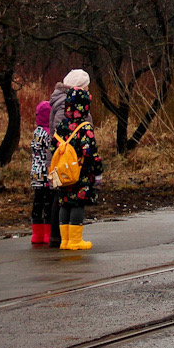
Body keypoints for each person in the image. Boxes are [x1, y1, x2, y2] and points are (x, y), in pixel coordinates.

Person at [46, 68, 90, 247]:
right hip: (68, 158)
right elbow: (64, 132)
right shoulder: (67, 104)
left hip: (61, 156)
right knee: (66, 197)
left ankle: (60, 237)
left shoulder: (61, 101)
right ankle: (62, 237)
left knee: (61, 195)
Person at [55, 88, 103, 251]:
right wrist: (97, 172)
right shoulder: (84, 128)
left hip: (63, 172)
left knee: (64, 203)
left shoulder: (61, 125)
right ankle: (76, 241)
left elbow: (53, 147)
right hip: (81, 172)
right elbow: (90, 152)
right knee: (77, 204)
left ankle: (65, 241)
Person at [29, 101, 55, 245]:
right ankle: (47, 233)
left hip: (36, 171)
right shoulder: (49, 133)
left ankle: (36, 235)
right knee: (48, 202)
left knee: (37, 202)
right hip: (47, 171)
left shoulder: (37, 132)